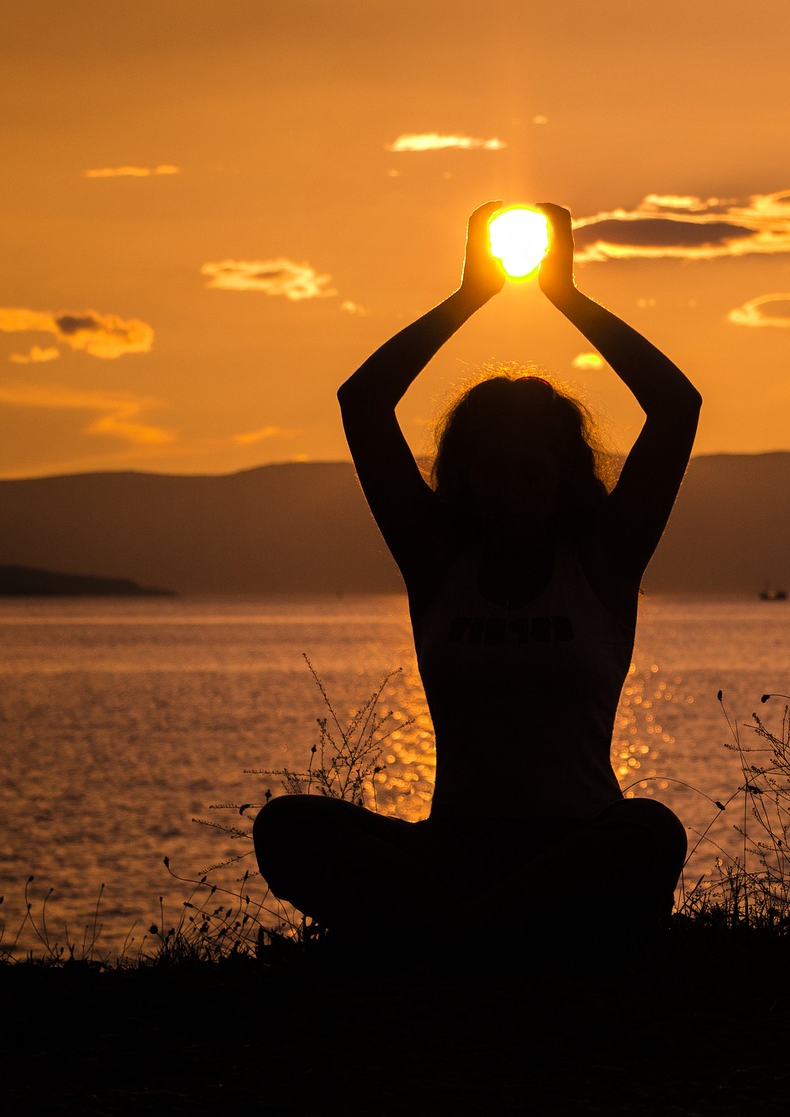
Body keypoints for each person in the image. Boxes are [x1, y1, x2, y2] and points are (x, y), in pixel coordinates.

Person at [253, 201, 698, 946]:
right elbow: (362, 403)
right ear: (465, 476)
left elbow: (676, 407)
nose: (511, 490)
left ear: (563, 477)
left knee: (650, 831)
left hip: (575, 847)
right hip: (453, 851)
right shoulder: (437, 562)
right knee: (287, 826)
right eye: (493, 473)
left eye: (532, 473)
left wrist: (567, 297)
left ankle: (449, 942)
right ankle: (484, 938)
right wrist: (470, 296)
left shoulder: (602, 563)